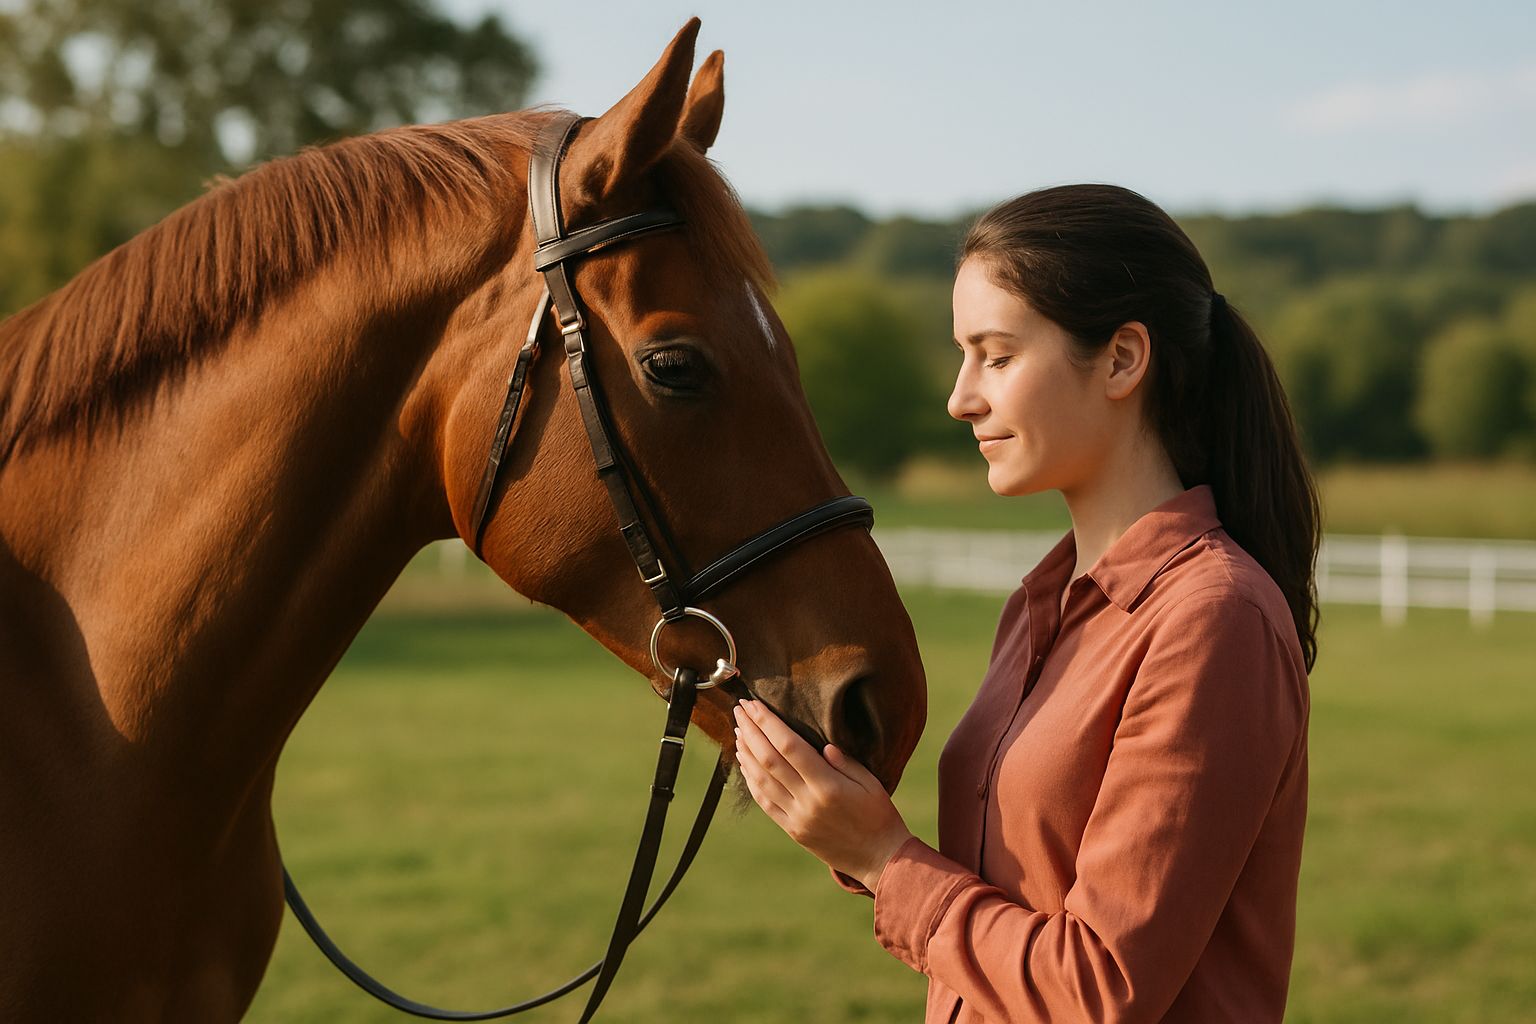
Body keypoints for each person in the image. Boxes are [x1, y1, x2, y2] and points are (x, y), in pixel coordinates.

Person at [733, 184, 1318, 1024]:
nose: (961, 397)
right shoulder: (1038, 607)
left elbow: (1098, 989)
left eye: (996, 356)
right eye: (963, 355)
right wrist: (842, 812)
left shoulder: (1211, 619)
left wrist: (882, 858)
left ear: (1122, 359)